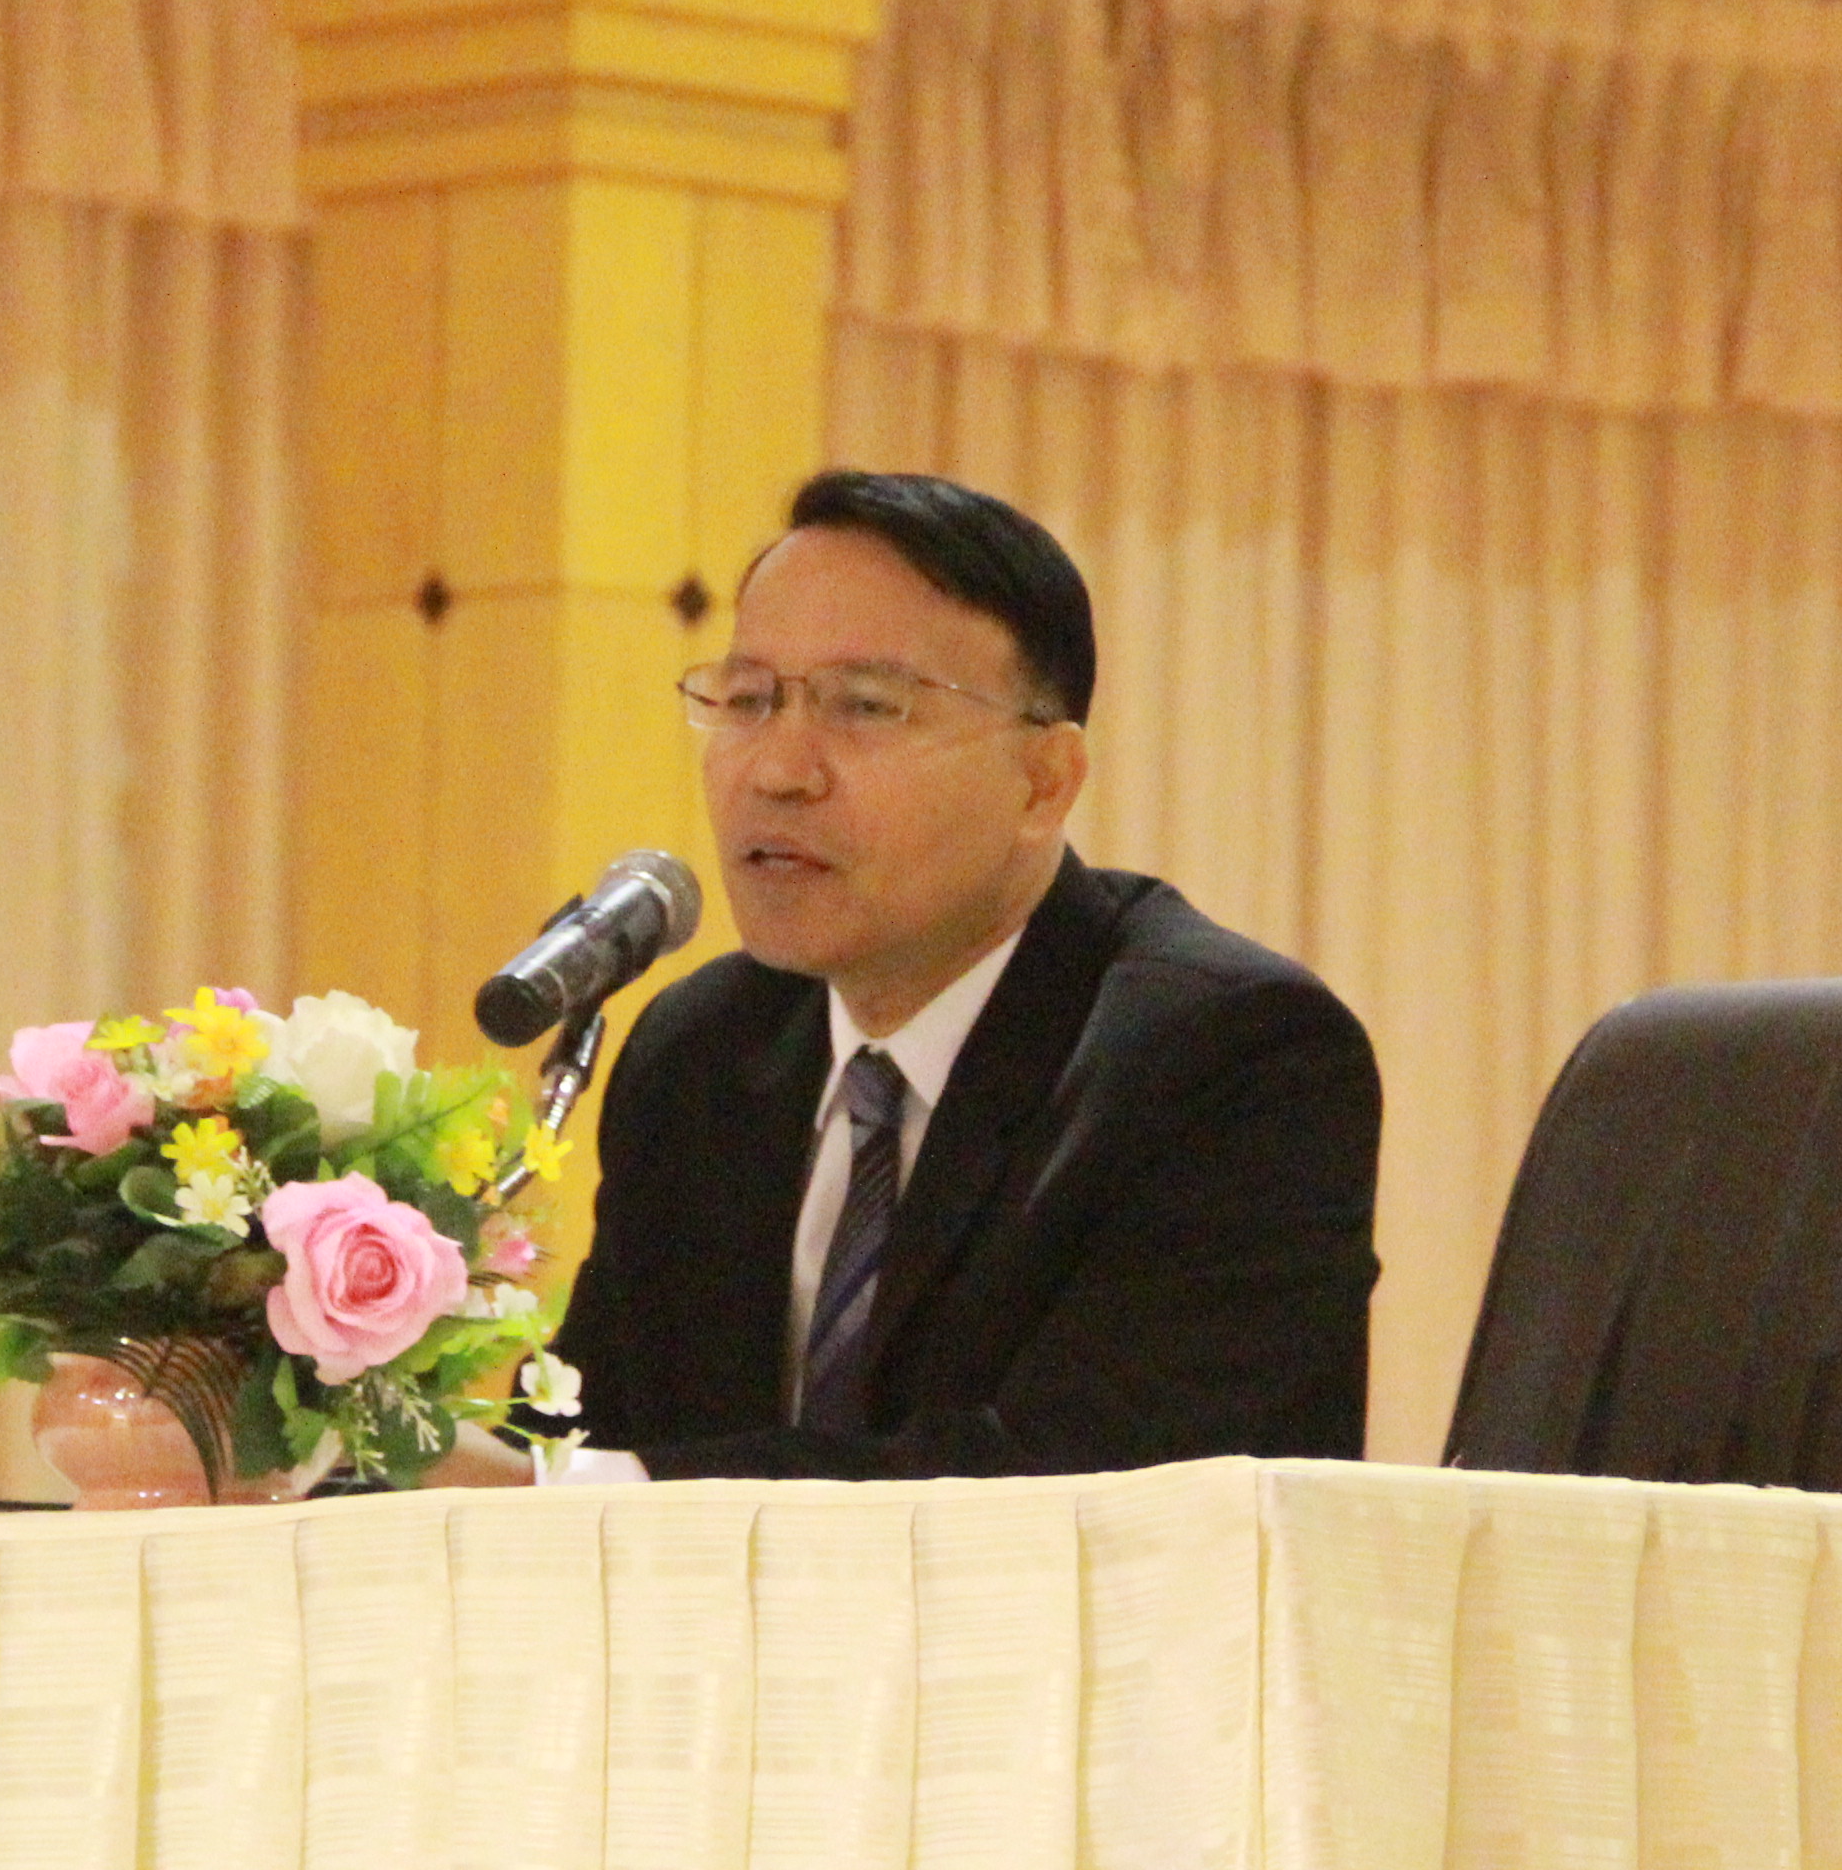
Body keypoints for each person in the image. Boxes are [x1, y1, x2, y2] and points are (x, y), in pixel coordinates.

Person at [536, 470, 1379, 1480]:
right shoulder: (703, 1054)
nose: (777, 770)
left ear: (1043, 782)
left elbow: (1084, 1488)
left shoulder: (1230, 1061)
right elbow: (578, 1429)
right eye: (748, 700)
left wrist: (606, 1489)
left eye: (865, 707)